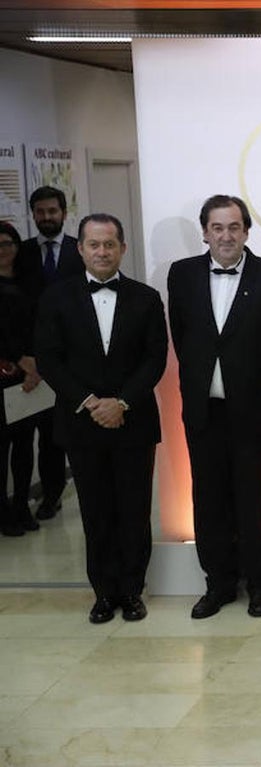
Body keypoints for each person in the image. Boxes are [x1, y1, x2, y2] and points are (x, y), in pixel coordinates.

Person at [168, 195, 261, 619]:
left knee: (255, 497)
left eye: (234, 227)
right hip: (203, 409)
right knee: (207, 498)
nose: (226, 235)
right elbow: (183, 337)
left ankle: (260, 583)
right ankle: (218, 584)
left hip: (254, 407)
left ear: (246, 231)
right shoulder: (182, 274)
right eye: (217, 228)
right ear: (204, 231)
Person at [34, 213, 167, 623]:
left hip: (134, 421)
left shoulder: (146, 298)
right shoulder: (56, 298)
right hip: (81, 422)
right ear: (81, 249)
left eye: (110, 244)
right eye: (94, 244)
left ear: (122, 248)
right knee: (95, 512)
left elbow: (154, 358)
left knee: (133, 509)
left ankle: (132, 591)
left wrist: (121, 403)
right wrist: (92, 402)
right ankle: (103, 593)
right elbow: (49, 359)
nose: (102, 251)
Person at [14, 186, 82, 521]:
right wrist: (31, 360)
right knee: (31, 436)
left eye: (52, 211)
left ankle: (58, 493)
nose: (46, 218)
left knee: (62, 434)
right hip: (30, 362)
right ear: (33, 214)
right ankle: (44, 498)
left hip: (72, 362)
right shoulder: (21, 253)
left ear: (64, 212)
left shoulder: (79, 250)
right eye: (40, 212)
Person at [0, 221, 39, 536]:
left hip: (29, 376)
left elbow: (38, 324)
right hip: (4, 372)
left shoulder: (28, 281)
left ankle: (22, 506)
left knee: (25, 446)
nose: (4, 250)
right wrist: (17, 359)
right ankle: (3, 513)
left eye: (9, 243)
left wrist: (34, 365)